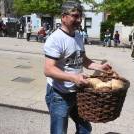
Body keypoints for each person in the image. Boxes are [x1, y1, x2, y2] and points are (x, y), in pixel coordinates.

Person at [43, 1, 112, 134]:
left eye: (80, 16)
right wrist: (73, 78)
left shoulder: (78, 36)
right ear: (64, 17)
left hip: (77, 93)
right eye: (75, 16)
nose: (79, 20)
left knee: (85, 128)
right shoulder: (55, 39)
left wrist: (100, 66)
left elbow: (83, 60)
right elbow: (48, 70)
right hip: (59, 95)